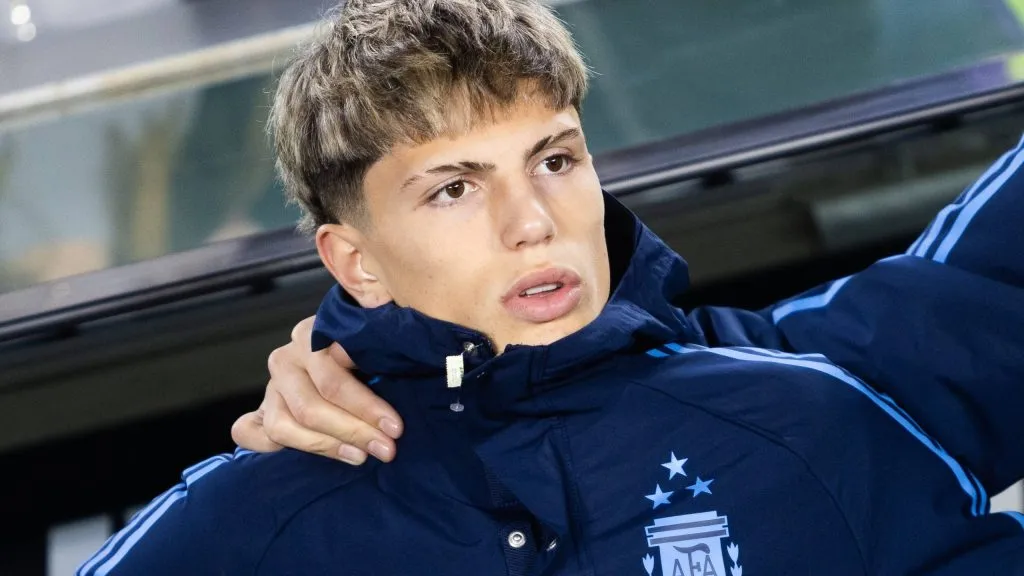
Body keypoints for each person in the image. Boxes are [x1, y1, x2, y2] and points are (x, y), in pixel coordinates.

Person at [79, 0, 1024, 574]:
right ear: (353, 261)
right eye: (454, 188)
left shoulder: (824, 396)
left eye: (555, 160)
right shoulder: (256, 520)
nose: (531, 220)